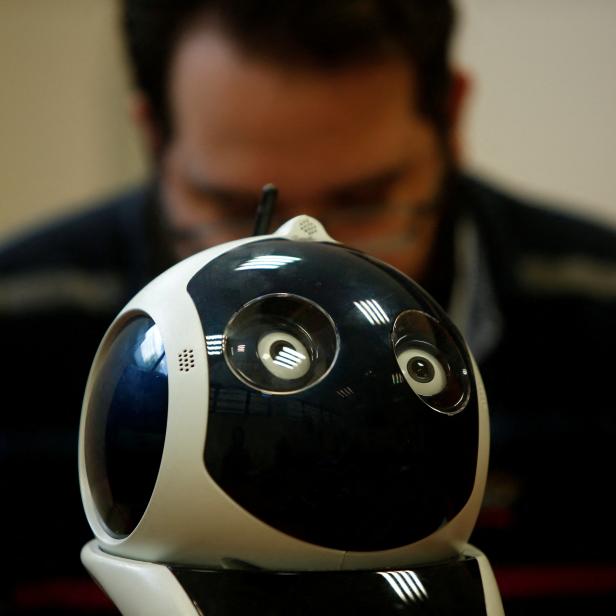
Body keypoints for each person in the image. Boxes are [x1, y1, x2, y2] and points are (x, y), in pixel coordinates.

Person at [0, 1, 614, 614]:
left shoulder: (598, 304)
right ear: (153, 137)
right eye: (241, 211)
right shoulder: (20, 320)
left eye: (366, 203)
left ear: (450, 118)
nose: (314, 253)